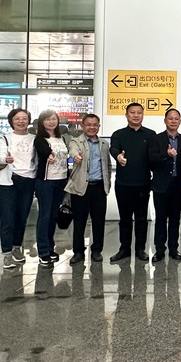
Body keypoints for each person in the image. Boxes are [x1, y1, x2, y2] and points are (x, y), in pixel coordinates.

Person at [109, 102, 157, 263]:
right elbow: (113, 149)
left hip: (143, 183)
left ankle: (140, 249)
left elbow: (153, 156)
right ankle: (124, 249)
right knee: (125, 219)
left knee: (142, 219)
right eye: (132, 112)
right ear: (126, 115)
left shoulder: (150, 134)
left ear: (143, 115)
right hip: (123, 184)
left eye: (139, 113)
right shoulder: (118, 134)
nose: (136, 115)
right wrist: (118, 156)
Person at [66, 113, 111, 265]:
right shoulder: (76, 141)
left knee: (99, 221)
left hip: (99, 188)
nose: (92, 127)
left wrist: (107, 185)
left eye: (95, 125)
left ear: (99, 126)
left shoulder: (104, 144)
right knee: (79, 221)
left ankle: (97, 250)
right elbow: (72, 150)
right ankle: (78, 252)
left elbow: (107, 165)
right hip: (81, 188)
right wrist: (75, 156)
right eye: (88, 124)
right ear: (82, 126)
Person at [0, 109, 36, 269]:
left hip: (28, 181)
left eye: (24, 118)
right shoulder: (5, 138)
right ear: (11, 121)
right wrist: (5, 159)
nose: (21, 121)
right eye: (17, 118)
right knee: (7, 218)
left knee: (22, 217)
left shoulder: (34, 139)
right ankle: (7, 253)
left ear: (29, 120)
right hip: (9, 182)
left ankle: (16, 247)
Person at [34, 109, 70, 266]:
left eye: (53, 119)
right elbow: (44, 152)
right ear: (42, 122)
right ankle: (43, 251)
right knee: (45, 215)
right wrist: (48, 156)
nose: (51, 122)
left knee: (53, 215)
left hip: (61, 180)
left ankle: (50, 247)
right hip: (46, 182)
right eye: (47, 119)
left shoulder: (61, 138)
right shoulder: (40, 139)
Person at [149, 108, 181, 263]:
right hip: (161, 184)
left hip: (178, 184)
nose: (173, 121)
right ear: (165, 121)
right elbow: (151, 158)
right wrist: (166, 155)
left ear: (180, 121)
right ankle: (159, 250)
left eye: (176, 119)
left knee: (175, 218)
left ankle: (173, 248)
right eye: (170, 118)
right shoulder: (156, 139)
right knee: (161, 218)